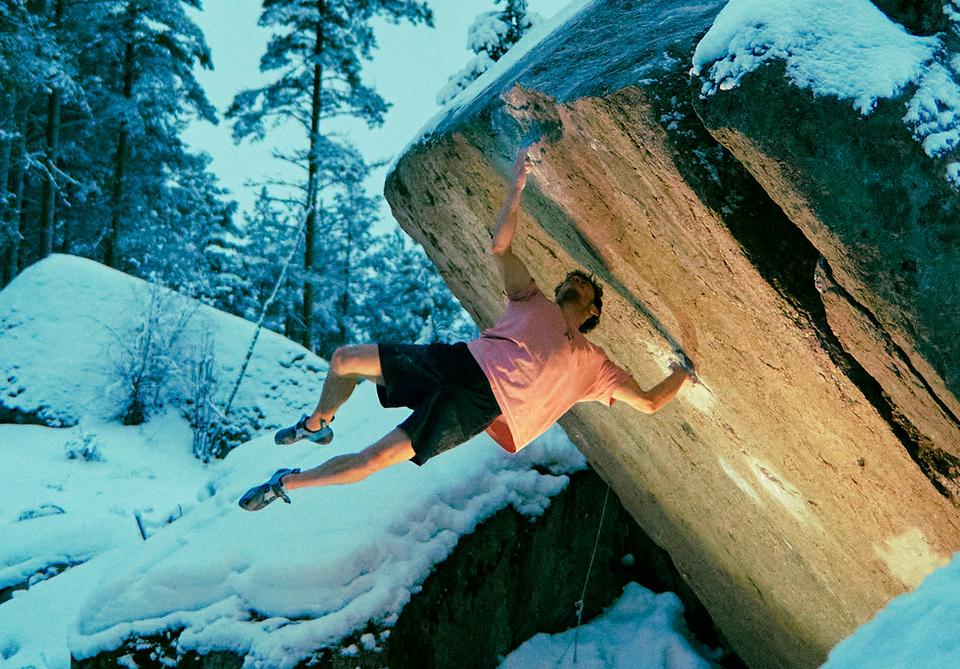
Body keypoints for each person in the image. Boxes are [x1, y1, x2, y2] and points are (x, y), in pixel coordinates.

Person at [239, 146, 694, 511]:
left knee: (374, 458)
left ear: (592, 311)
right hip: (458, 361)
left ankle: (285, 484)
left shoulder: (595, 366)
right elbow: (500, 248)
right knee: (343, 359)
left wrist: (682, 373)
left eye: (584, 285)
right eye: (569, 279)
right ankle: (317, 424)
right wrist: (517, 184)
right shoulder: (531, 299)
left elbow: (649, 402)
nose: (574, 281)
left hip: (477, 407)